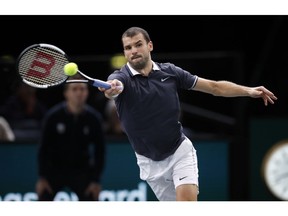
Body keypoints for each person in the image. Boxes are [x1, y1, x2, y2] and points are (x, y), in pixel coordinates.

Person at [99, 26, 278, 201]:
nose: (134, 51)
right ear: (124, 53)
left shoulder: (170, 72)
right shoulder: (121, 77)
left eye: (138, 44)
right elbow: (113, 87)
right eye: (128, 47)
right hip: (149, 161)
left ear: (150, 46)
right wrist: (112, 89)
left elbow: (215, 87)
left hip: (179, 151)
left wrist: (248, 91)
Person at [36, 78, 106, 201]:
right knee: (44, 197)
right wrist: (42, 177)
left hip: (82, 170)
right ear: (66, 93)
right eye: (74, 89)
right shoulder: (53, 117)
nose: (79, 93)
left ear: (87, 93)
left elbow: (100, 151)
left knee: (91, 198)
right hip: (55, 169)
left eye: (82, 89)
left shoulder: (94, 118)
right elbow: (43, 148)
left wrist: (95, 180)